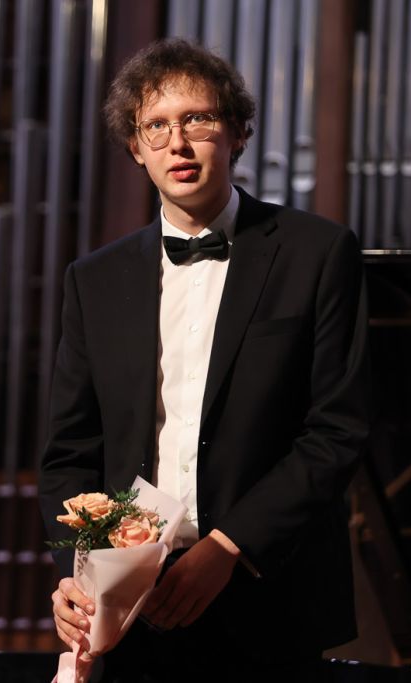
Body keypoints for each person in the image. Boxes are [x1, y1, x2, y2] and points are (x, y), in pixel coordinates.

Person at [38, 38, 370, 681]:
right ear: (135, 147)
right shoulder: (94, 279)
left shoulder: (318, 252)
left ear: (239, 131)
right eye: (156, 126)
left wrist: (228, 546)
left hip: (269, 598)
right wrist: (80, 571)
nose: (178, 144)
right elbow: (70, 453)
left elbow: (339, 428)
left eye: (198, 119)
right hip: (132, 611)